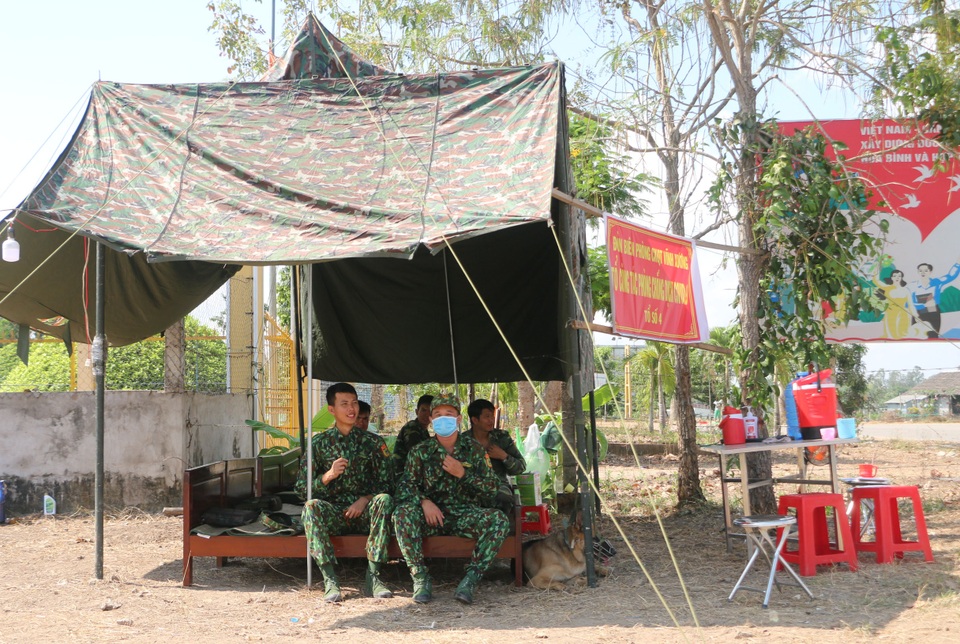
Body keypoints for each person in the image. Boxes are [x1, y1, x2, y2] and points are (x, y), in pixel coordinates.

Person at [393, 393, 509, 605]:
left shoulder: (474, 449)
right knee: (402, 513)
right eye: (437, 414)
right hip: (431, 517)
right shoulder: (420, 451)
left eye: (449, 414)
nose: (443, 418)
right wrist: (424, 501)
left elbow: (492, 488)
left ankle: (470, 580)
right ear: (431, 420)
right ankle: (420, 578)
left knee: (499, 520)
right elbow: (404, 486)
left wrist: (464, 474)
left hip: (464, 514)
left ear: (458, 419)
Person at [295, 382, 394, 602]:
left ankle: (374, 577)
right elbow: (301, 489)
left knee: (385, 500)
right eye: (344, 404)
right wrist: (327, 476)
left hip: (365, 513)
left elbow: (389, 483)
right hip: (335, 514)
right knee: (311, 507)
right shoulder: (318, 444)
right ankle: (330, 579)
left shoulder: (373, 443)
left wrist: (365, 499)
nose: (351, 409)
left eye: (354, 403)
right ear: (332, 409)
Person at [463, 398, 526, 516]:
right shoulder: (463, 441)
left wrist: (504, 456)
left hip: (498, 486)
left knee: (503, 498)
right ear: (475, 420)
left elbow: (521, 467)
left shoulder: (502, 438)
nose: (491, 420)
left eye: (492, 416)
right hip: (472, 485)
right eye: (487, 417)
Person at [910, 260, 960, 338]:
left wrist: (957, 264)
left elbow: (950, 276)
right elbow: (909, 303)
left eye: (926, 270)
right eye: (920, 271)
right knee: (916, 335)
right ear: (918, 272)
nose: (923, 273)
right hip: (919, 313)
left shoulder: (937, 282)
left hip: (933, 312)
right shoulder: (912, 286)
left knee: (933, 335)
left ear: (930, 272)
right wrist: (923, 306)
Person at [873, 268, 917, 339]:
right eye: (895, 276)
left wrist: (916, 315)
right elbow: (877, 281)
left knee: (902, 335)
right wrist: (876, 272)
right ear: (891, 278)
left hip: (904, 315)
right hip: (890, 314)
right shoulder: (887, 288)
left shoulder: (905, 290)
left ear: (901, 278)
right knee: (891, 334)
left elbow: (911, 305)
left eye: (899, 276)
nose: (897, 277)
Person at [392, 394, 433, 472]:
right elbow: (418, 454)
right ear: (417, 412)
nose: (427, 415)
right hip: (403, 473)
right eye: (423, 410)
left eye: (430, 412)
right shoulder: (412, 428)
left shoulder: (423, 430)